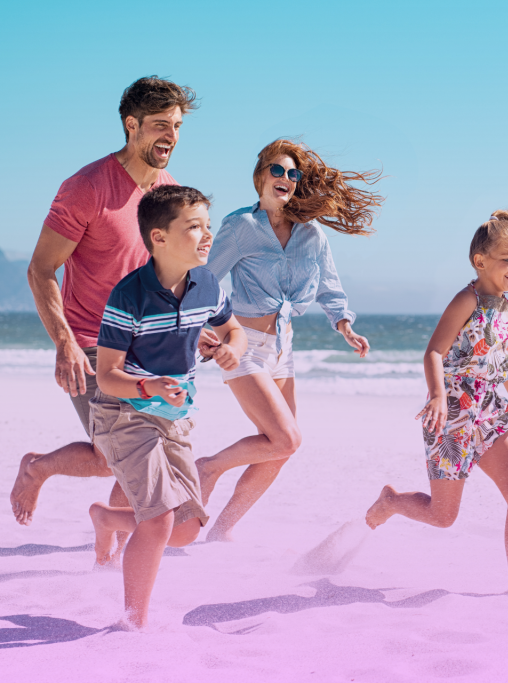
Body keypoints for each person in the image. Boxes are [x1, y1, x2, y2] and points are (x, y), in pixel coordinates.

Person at [10, 76, 198, 527]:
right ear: (131, 125)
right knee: (119, 452)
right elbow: (41, 269)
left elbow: (166, 273)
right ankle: (39, 471)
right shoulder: (87, 187)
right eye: (159, 125)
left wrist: (194, 325)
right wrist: (65, 343)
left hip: (147, 345)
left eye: (176, 126)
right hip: (93, 343)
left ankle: (110, 535)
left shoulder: (168, 191)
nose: (170, 136)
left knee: (130, 451)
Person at [365, 209, 508, 604]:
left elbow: (507, 365)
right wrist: (438, 395)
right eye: (507, 259)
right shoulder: (466, 300)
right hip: (452, 413)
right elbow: (434, 352)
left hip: (490, 409)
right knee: (443, 517)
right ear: (481, 261)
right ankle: (391, 502)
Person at [198, 139, 383, 541]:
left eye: (293, 173)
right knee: (286, 437)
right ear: (260, 176)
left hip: (283, 349)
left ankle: (221, 531)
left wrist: (345, 325)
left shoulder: (312, 235)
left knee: (281, 449)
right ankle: (207, 468)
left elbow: (329, 287)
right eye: (277, 170)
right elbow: (204, 278)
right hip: (244, 344)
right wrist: (200, 326)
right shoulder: (240, 227)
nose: (285, 178)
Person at [88, 185, 246, 629]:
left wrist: (231, 349)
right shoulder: (128, 296)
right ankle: (132, 624)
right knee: (158, 521)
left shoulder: (206, 284)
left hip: (174, 416)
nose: (207, 235)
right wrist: (148, 385)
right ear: (158, 238)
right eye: (194, 227)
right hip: (124, 411)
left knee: (186, 529)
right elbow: (106, 375)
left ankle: (106, 518)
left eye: (208, 225)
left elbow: (234, 330)